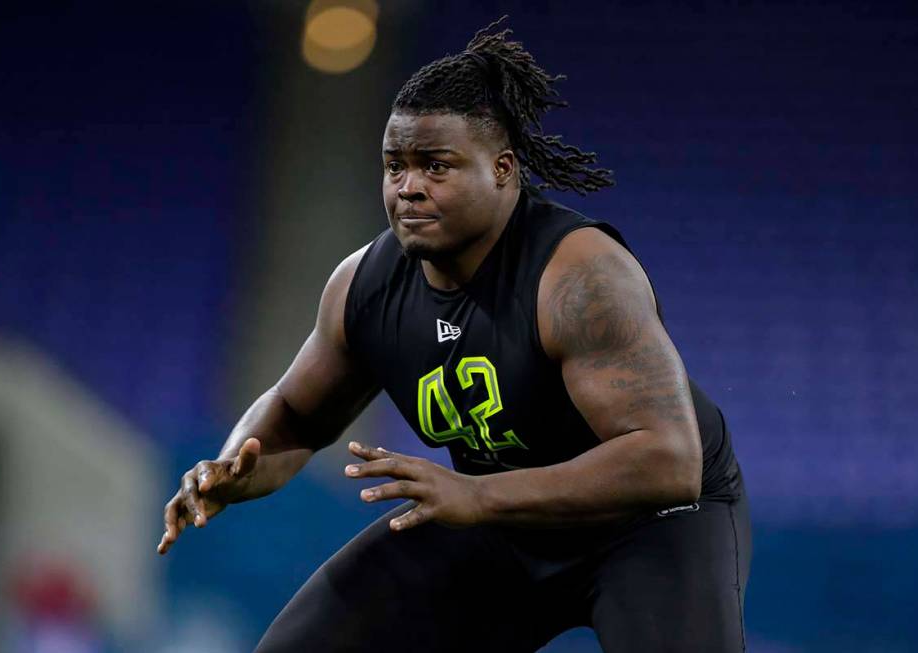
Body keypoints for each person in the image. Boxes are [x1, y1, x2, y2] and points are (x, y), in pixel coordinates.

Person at [158, 18, 750, 653]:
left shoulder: (578, 276)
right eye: (395, 166)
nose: (408, 187)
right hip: (495, 515)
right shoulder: (365, 284)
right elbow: (296, 414)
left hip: (648, 525)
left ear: (502, 170)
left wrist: (479, 493)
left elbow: (668, 460)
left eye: (436, 166)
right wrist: (234, 465)